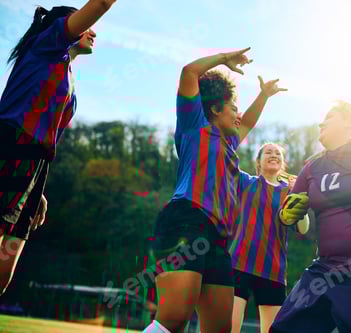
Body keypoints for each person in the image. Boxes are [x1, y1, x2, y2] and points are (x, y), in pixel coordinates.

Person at [143, 48, 287, 333]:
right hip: (185, 221)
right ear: (215, 110)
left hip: (218, 238)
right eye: (234, 108)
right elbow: (189, 72)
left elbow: (247, 122)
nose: (239, 115)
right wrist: (223, 59)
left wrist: (265, 96)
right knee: (174, 318)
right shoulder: (193, 127)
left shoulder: (231, 144)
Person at [0, 0, 117, 295]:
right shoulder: (47, 45)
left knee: (5, 268)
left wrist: (39, 189)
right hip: (10, 146)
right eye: (86, 24)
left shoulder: (70, 87)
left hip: (35, 166)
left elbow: (49, 144)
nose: (94, 32)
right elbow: (101, 3)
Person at [271, 101, 351, 333]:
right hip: (324, 270)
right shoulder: (312, 167)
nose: (322, 122)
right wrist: (287, 214)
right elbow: (286, 216)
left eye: (330, 117)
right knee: (282, 329)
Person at [230, 143, 309, 333]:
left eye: (278, 154)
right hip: (239, 264)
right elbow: (226, 162)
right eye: (268, 152)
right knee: (228, 328)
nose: (273, 155)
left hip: (273, 269)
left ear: (283, 163)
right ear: (258, 161)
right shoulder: (246, 182)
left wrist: (298, 195)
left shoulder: (289, 192)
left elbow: (304, 229)